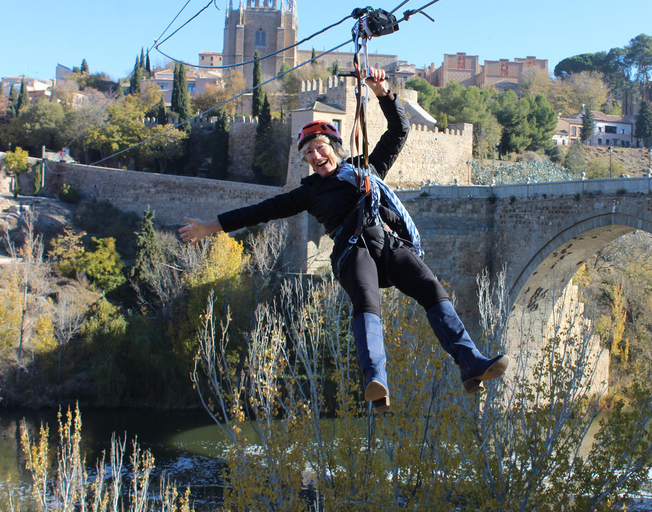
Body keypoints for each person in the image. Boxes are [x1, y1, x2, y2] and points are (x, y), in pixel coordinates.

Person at [179, 68, 508, 413]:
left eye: (319, 149)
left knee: (431, 288)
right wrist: (211, 226)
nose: (315, 158)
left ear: (333, 147)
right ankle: (375, 380)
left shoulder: (366, 168)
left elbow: (399, 131)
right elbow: (260, 211)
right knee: (367, 301)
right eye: (308, 155)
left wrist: (383, 92)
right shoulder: (309, 193)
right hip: (353, 254)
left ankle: (470, 362)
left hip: (388, 244)